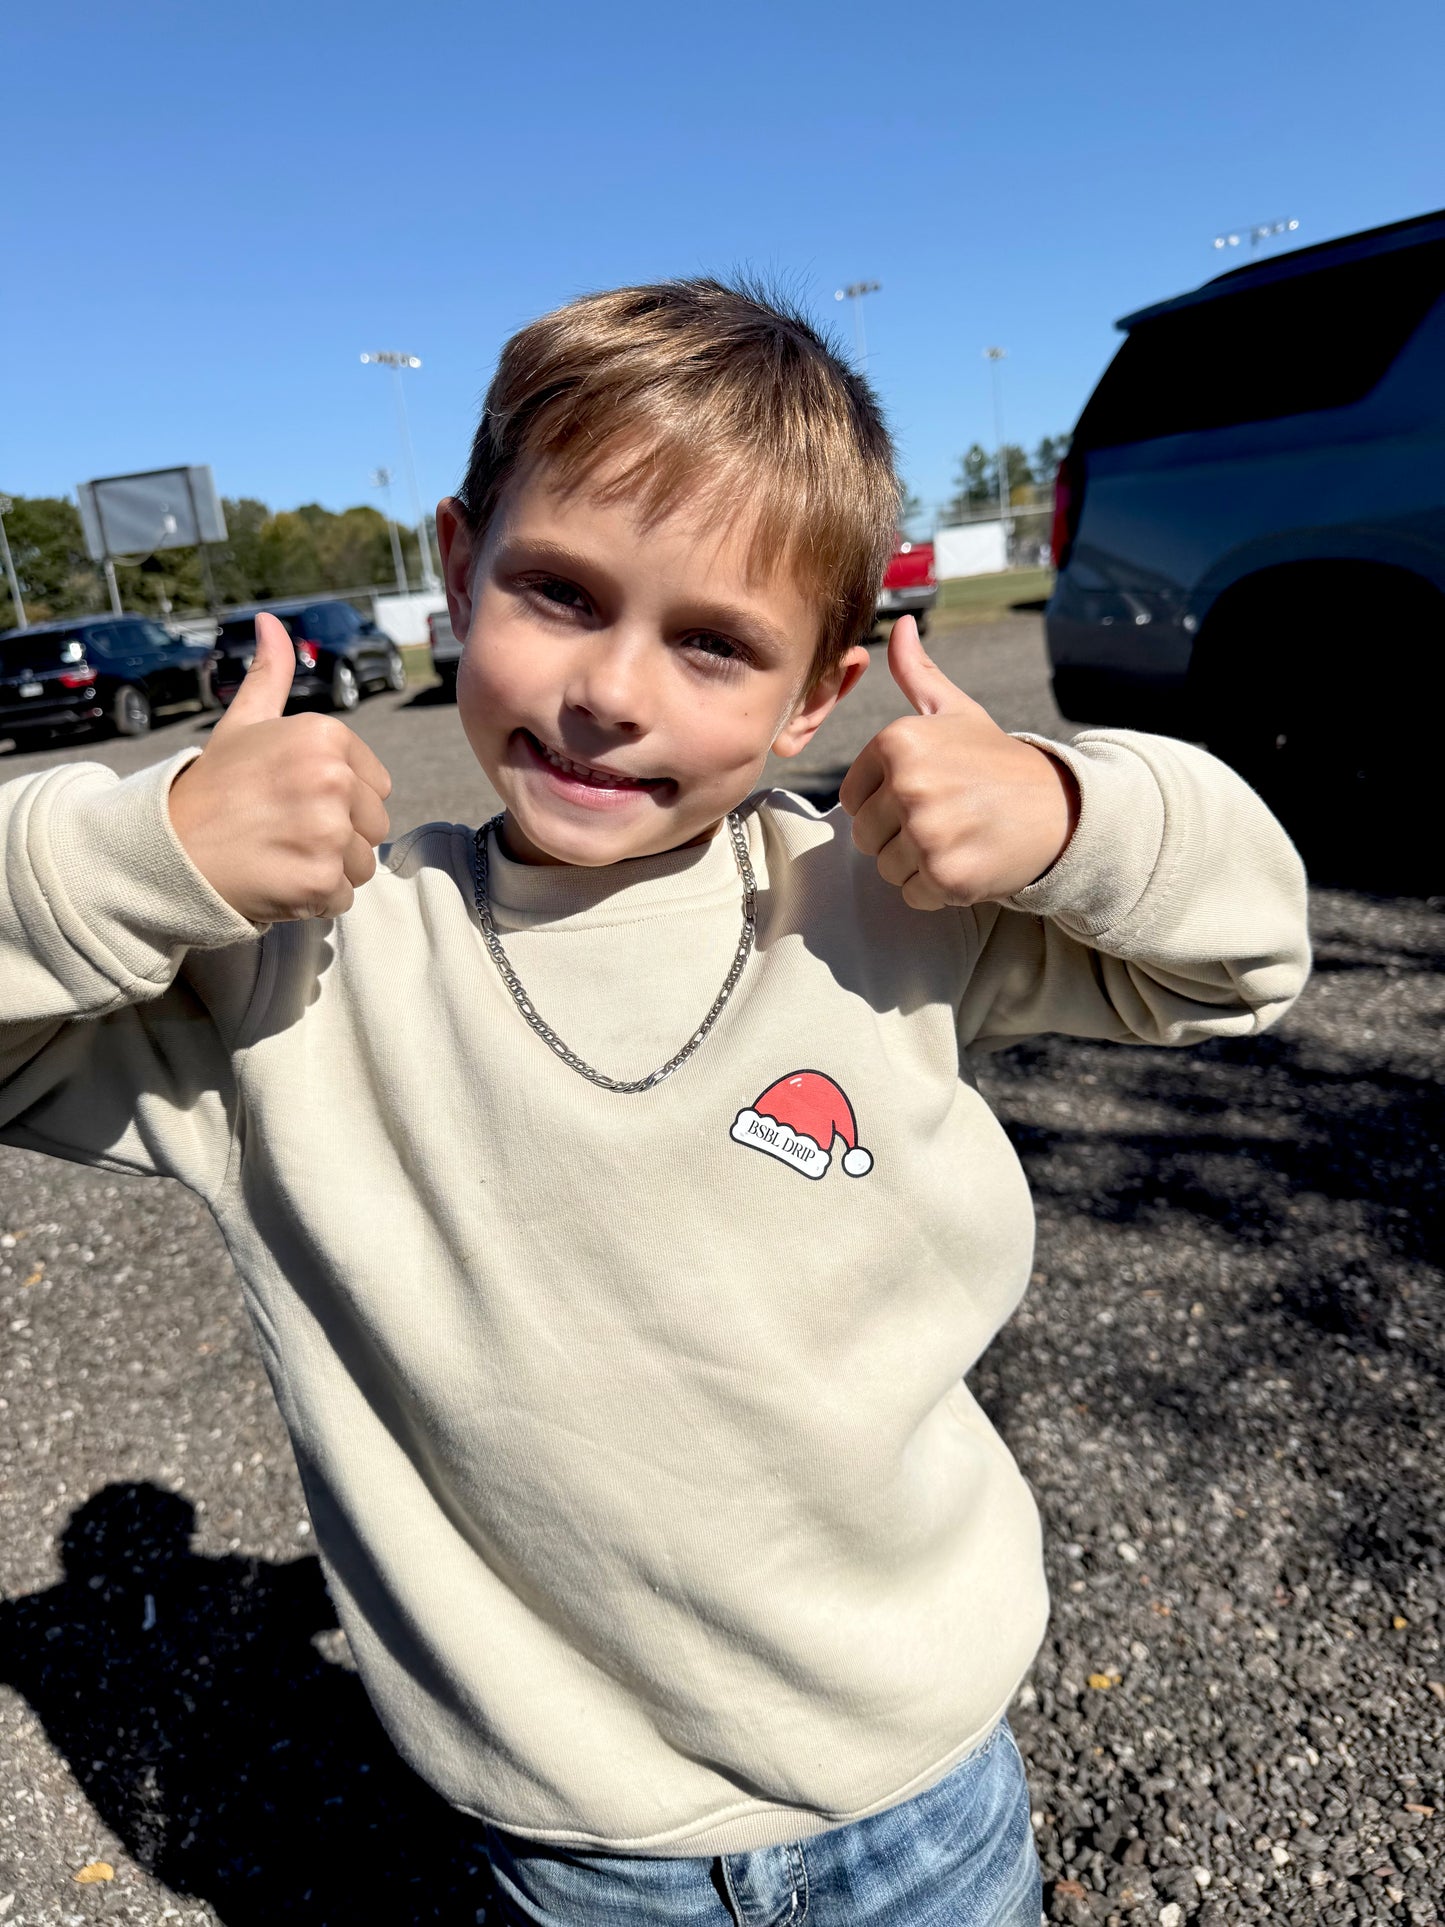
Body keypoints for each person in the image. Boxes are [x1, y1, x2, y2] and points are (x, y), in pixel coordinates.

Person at [0, 278, 1309, 1926]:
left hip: (921, 1783)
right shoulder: (294, 966)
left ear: (814, 695)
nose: (613, 690)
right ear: (459, 566)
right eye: (558, 591)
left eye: (713, 643)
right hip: (581, 1849)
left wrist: (1064, 810)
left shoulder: (886, 898)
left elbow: (1249, 951)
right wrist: (146, 851)